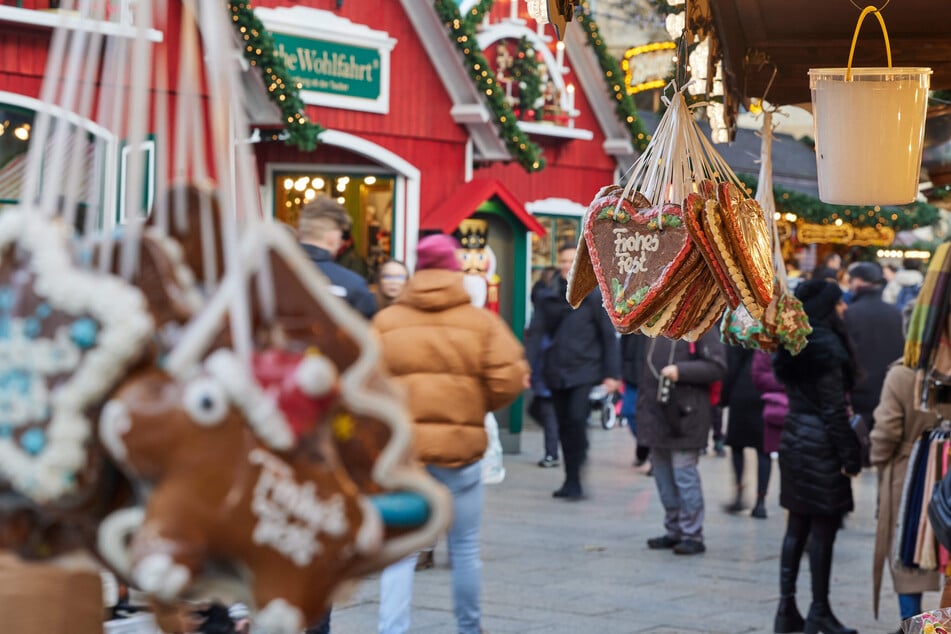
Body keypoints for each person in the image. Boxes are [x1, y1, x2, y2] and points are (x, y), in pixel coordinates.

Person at [374, 234, 528, 634]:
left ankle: (392, 629)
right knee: (464, 548)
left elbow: (365, 385)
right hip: (461, 455)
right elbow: (509, 380)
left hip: (406, 458)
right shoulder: (481, 323)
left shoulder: (386, 322)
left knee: (399, 552)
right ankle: (468, 628)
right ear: (453, 269)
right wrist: (473, 406)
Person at [771, 279, 862, 634]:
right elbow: (834, 411)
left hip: (794, 438)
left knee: (796, 527)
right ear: (828, 308)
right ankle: (819, 611)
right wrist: (850, 456)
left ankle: (785, 610)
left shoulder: (794, 341)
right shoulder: (826, 347)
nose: (844, 308)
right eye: (839, 303)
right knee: (823, 531)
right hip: (821, 445)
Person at [525, 244, 621, 501]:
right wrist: (526, 365)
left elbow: (608, 337)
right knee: (563, 424)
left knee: (576, 421)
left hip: (584, 370)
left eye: (572, 260)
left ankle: (576, 478)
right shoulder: (548, 296)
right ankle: (569, 477)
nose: (567, 265)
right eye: (564, 261)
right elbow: (535, 334)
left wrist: (612, 374)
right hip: (555, 370)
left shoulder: (593, 297)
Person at [871, 355, 942, 631]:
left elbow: (885, 432)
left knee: (907, 557)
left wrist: (878, 459)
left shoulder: (902, 374)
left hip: (908, 475)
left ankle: (915, 627)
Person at [638, 332, 726, 556]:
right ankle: (674, 529)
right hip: (657, 415)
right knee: (663, 476)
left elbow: (717, 366)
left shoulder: (700, 324)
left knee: (684, 475)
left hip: (687, 415)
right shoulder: (654, 324)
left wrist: (680, 371)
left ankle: (692, 533)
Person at [843, 261, 903, 432]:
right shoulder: (896, 313)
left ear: (858, 282)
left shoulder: (850, 314)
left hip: (859, 394)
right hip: (890, 392)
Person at [298, 197, 376, 319]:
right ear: (333, 235)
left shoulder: (268, 274)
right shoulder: (353, 286)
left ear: (300, 232)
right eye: (341, 234)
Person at [720, 346, 771, 519]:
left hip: (741, 391)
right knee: (764, 450)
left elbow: (731, 366)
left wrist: (724, 397)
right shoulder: (774, 325)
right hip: (765, 392)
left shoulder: (742, 329)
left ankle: (739, 493)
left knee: (737, 446)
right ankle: (760, 503)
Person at [527, 267, 561, 468]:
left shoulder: (545, 307)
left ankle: (552, 452)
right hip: (549, 369)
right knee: (544, 411)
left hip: (546, 370)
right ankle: (553, 447)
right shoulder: (554, 305)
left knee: (546, 413)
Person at [620, 333, 649, 470]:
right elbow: (622, 344)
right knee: (628, 411)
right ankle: (645, 445)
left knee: (650, 418)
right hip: (631, 373)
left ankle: (652, 456)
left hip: (651, 375)